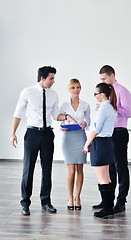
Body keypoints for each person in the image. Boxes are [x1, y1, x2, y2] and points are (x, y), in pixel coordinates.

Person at [10, 66, 76, 216]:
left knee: (47, 169)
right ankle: (25, 203)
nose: (53, 81)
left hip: (47, 134)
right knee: (28, 169)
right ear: (42, 78)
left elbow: (55, 115)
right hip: (32, 134)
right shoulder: (28, 92)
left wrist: (66, 117)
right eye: (51, 78)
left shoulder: (53, 94)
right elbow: (18, 113)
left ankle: (46, 202)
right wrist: (12, 133)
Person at [92, 65, 131, 213]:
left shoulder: (123, 91)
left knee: (120, 166)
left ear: (112, 76)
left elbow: (129, 113)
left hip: (119, 132)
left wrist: (112, 107)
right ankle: (107, 201)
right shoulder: (106, 92)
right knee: (109, 168)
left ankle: (121, 201)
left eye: (104, 78)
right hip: (107, 134)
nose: (102, 81)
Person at [83, 83, 117, 219]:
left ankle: (107, 210)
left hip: (100, 143)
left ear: (102, 94)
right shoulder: (110, 107)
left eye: (95, 94)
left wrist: (87, 144)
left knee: (102, 178)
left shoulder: (104, 108)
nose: (95, 96)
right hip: (107, 143)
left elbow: (95, 129)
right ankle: (108, 208)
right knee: (106, 177)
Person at [60, 78, 91, 210]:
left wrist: (85, 124)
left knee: (79, 169)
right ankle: (69, 197)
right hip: (68, 138)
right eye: (73, 88)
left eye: (78, 87)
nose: (76, 90)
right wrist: (62, 127)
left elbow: (89, 122)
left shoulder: (85, 105)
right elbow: (60, 120)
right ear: (69, 89)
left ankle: (77, 197)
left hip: (80, 137)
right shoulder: (64, 105)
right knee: (71, 170)